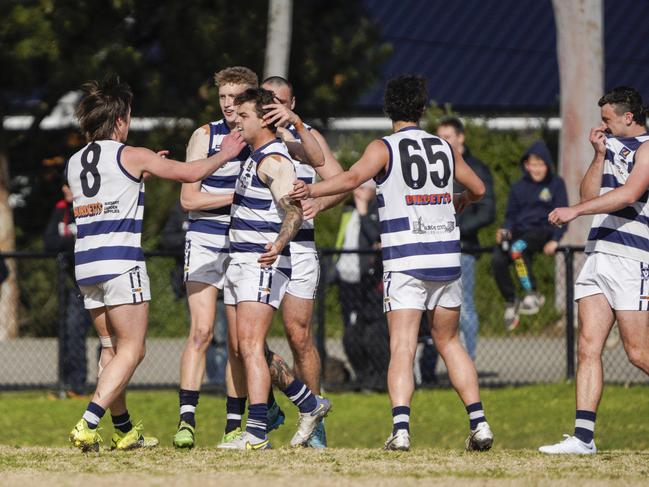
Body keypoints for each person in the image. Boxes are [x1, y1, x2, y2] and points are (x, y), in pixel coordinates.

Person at [291, 75, 493, 452]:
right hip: (446, 256)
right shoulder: (444, 147)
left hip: (406, 257)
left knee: (401, 345)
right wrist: (461, 198)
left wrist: (311, 189)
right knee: (449, 341)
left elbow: (351, 177)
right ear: (422, 108)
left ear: (388, 109)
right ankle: (479, 424)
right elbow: (479, 189)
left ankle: (401, 430)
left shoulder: (385, 147)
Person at [66, 75, 246, 452]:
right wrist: (226, 153)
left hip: (85, 265)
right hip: (120, 262)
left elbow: (114, 184)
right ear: (119, 121)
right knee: (133, 350)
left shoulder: (75, 161)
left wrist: (146, 169)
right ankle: (87, 422)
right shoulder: (132, 154)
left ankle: (124, 429)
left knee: (111, 350)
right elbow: (192, 173)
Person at [218, 88, 331, 450]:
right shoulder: (254, 156)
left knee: (252, 345)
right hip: (238, 262)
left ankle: (255, 435)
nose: (237, 120)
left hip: (259, 262)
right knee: (243, 346)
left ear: (264, 120)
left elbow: (294, 210)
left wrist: (278, 244)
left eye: (245, 115)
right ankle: (309, 403)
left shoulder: (274, 159)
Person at [541, 86, 649, 455]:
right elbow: (590, 195)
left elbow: (630, 194)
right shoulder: (611, 147)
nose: (602, 125)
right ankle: (583, 438)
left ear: (628, 117)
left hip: (631, 259)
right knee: (588, 346)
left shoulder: (647, 149)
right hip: (599, 254)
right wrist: (598, 155)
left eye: (607, 119)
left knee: (638, 352)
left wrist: (572, 212)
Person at [172, 66, 257, 448]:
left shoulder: (260, 137)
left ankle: (233, 425)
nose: (227, 105)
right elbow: (189, 199)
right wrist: (234, 200)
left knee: (240, 342)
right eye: (222, 97)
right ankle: (186, 421)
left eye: (235, 97)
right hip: (206, 240)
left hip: (243, 242)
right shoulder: (204, 136)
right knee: (202, 332)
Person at [260, 75, 346, 447]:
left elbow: (342, 182)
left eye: (281, 101)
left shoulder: (307, 137)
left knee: (299, 335)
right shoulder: (251, 138)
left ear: (292, 102)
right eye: (268, 101)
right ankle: (267, 405)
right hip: (261, 247)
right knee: (247, 338)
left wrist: (317, 203)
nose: (275, 108)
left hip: (300, 246)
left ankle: (315, 426)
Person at [492, 140, 568, 331]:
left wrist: (555, 239)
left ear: (547, 165)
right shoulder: (518, 187)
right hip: (519, 233)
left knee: (517, 249)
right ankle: (511, 300)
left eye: (541, 164)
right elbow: (510, 216)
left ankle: (532, 292)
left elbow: (563, 214)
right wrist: (505, 230)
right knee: (498, 258)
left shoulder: (556, 184)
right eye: (533, 164)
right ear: (526, 165)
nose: (537, 169)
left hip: (542, 230)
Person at [437, 117, 495, 359]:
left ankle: (467, 361)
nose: (443, 142)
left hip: (464, 248)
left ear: (461, 138)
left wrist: (457, 228)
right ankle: (430, 371)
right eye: (439, 137)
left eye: (448, 137)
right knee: (434, 308)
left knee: (465, 307)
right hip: (435, 246)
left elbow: (488, 210)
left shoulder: (476, 169)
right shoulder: (435, 166)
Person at [43, 180, 92, 396]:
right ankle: (71, 383)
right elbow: (49, 242)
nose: (66, 191)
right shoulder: (60, 209)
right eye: (63, 186)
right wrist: (71, 240)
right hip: (70, 285)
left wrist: (70, 240)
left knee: (106, 335)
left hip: (91, 279)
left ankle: (97, 382)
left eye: (69, 186)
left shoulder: (90, 206)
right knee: (69, 331)